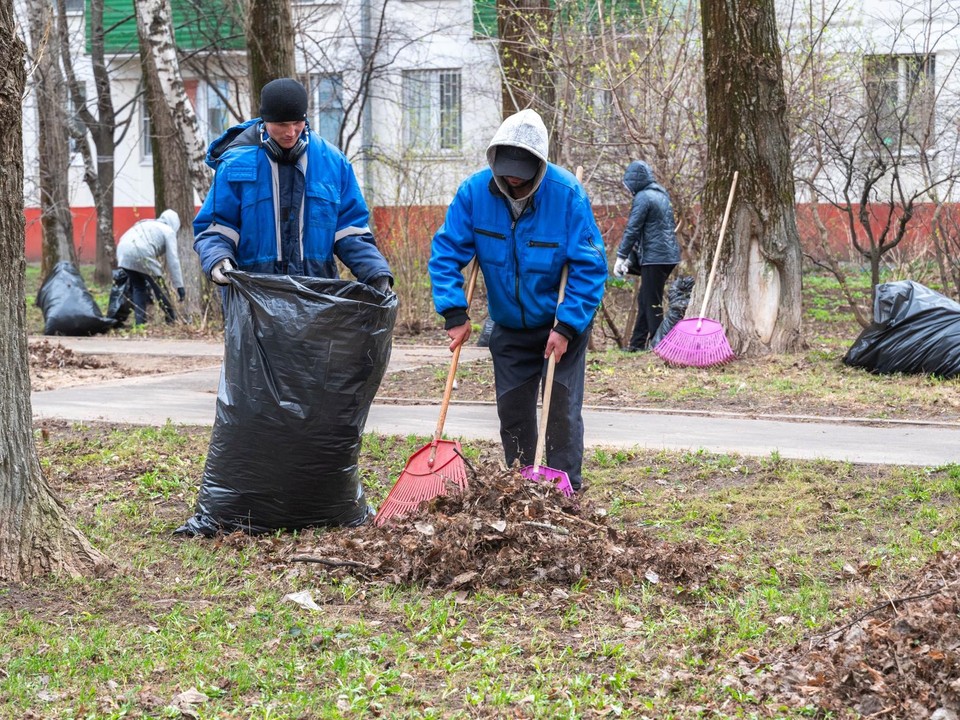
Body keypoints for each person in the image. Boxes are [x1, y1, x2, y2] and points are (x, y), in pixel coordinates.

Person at [429, 109, 607, 492]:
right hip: (508, 324)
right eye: (506, 170)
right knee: (513, 410)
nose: (513, 179)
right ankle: (520, 484)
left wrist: (567, 326)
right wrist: (454, 311)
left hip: (559, 321)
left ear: (539, 168)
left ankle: (565, 490)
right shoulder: (474, 194)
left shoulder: (567, 196)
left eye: (522, 174)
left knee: (560, 409)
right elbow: (445, 253)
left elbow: (590, 268)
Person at [193, 77, 393, 291]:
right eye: (281, 124)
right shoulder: (235, 165)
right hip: (253, 298)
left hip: (318, 297)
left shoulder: (333, 163)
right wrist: (217, 258)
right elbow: (217, 227)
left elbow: (351, 231)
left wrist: (376, 272)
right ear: (265, 121)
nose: (290, 133)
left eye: (297, 123)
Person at [612, 160, 681, 351]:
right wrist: (631, 259)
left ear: (634, 181)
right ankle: (636, 345)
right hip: (667, 257)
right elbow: (650, 233)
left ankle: (661, 346)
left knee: (652, 302)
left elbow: (633, 229)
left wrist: (621, 256)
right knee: (645, 299)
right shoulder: (661, 194)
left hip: (655, 258)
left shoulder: (643, 197)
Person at [115, 209, 185, 325]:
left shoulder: (145, 223)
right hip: (142, 253)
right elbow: (173, 260)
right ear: (175, 224)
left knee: (138, 287)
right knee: (160, 287)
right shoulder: (168, 231)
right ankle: (171, 319)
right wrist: (179, 285)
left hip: (122, 251)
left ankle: (139, 323)